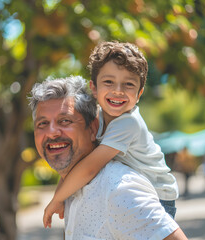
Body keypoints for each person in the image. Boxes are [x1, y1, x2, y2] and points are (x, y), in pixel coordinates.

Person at [29, 75, 188, 239]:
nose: (52, 132)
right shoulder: (73, 189)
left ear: (93, 129)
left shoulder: (119, 190)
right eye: (42, 124)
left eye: (64, 121)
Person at [43, 41, 179, 228]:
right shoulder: (95, 118)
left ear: (139, 94)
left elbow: (89, 168)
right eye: (108, 82)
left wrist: (57, 199)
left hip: (157, 197)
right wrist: (60, 195)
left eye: (128, 84)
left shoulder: (128, 123)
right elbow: (77, 161)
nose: (118, 91)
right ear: (94, 88)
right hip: (129, 193)